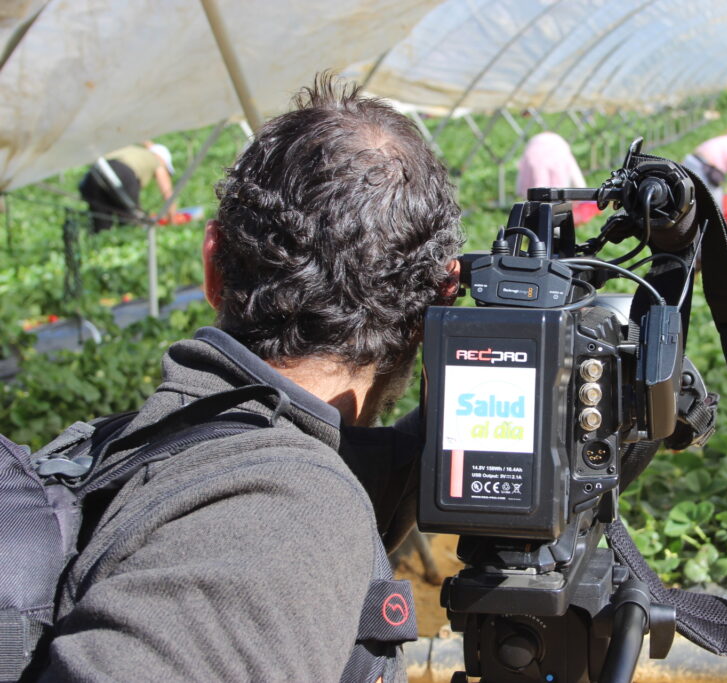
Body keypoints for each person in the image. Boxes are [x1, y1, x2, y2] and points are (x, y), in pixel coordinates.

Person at [35, 76, 463, 681]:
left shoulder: (146, 447)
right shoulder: (282, 518)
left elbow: (367, 469)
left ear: (211, 264)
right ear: (431, 313)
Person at [77, 141, 177, 232]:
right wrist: (172, 220)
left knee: (101, 224)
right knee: (130, 222)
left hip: (93, 175)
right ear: (164, 160)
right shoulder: (157, 160)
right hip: (122, 173)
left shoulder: (131, 150)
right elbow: (168, 194)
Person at [517, 131, 601, 224]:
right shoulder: (560, 147)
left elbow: (523, 172)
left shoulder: (534, 146)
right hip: (559, 191)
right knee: (556, 216)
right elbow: (574, 172)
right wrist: (583, 193)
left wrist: (521, 192)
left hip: (533, 193)